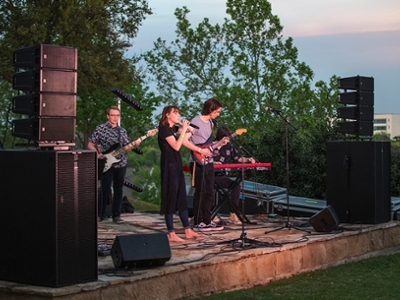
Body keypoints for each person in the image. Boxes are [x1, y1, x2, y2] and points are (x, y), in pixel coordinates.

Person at [87, 106, 141, 224]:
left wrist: (134, 145)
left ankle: (116, 215)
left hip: (120, 163)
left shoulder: (122, 131)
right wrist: (97, 154)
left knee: (118, 190)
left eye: (117, 115)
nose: (115, 117)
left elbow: (126, 148)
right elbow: (90, 144)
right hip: (106, 162)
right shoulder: (100, 129)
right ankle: (99, 215)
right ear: (108, 116)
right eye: (113, 115)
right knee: (104, 189)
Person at [158, 105, 202, 242]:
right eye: (175, 113)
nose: (178, 116)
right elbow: (176, 146)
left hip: (176, 164)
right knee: (171, 196)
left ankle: (187, 229)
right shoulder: (164, 129)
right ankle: (171, 233)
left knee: (182, 195)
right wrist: (183, 131)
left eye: (178, 113)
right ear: (167, 115)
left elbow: (188, 134)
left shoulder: (173, 129)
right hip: (168, 165)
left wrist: (187, 128)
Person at [184, 98, 224, 231]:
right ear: (211, 110)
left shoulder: (211, 124)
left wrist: (219, 144)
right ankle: (197, 221)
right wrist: (199, 150)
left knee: (209, 191)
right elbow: (185, 140)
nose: (218, 114)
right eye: (217, 111)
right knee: (200, 191)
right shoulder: (195, 122)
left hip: (209, 161)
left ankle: (207, 220)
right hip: (197, 161)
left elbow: (208, 143)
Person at [213, 126, 256, 225]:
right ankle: (212, 214)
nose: (226, 141)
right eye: (224, 139)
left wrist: (248, 159)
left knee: (236, 186)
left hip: (221, 175)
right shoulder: (212, 145)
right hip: (209, 175)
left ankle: (233, 214)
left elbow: (238, 158)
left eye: (228, 139)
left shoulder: (229, 147)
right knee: (210, 189)